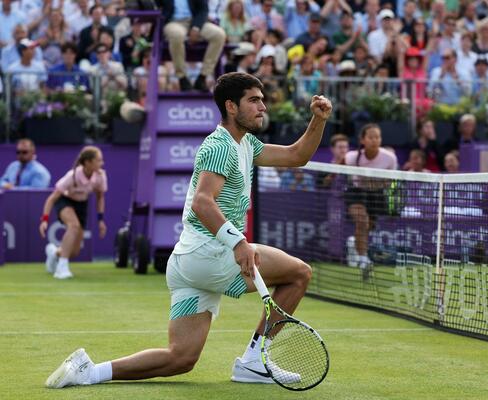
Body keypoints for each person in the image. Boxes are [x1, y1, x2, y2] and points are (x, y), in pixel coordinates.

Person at [44, 72, 332, 388]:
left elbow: (296, 155)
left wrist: (318, 120)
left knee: (180, 358)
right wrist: (238, 243)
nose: (262, 106)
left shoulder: (247, 143)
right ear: (231, 107)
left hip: (187, 263)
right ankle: (254, 360)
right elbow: (202, 202)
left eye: (262, 99)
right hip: (211, 253)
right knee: (299, 273)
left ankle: (90, 372)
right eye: (253, 100)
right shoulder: (220, 146)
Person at [39, 146, 107, 280]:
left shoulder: (100, 176)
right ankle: (61, 269)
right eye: (98, 160)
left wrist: (100, 220)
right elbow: (52, 198)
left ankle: (54, 253)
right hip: (65, 201)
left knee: (74, 251)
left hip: (82, 205)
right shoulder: (72, 176)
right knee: (73, 225)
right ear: (88, 162)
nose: (102, 163)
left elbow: (100, 198)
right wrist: (44, 220)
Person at [344, 123, 397, 281]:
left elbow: (389, 182)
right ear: (363, 140)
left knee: (368, 227)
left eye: (378, 137)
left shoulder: (389, 158)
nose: (375, 140)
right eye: (371, 137)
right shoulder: (352, 157)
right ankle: (363, 260)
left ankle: (356, 245)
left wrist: (376, 183)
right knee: (362, 221)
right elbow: (342, 168)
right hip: (357, 192)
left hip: (377, 195)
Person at [161, 0, 226, 92]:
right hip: (173, 22)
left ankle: (203, 77)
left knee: (219, 35)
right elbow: (154, 6)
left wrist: (196, 27)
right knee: (177, 35)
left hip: (195, 21)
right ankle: (182, 77)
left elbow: (203, 9)